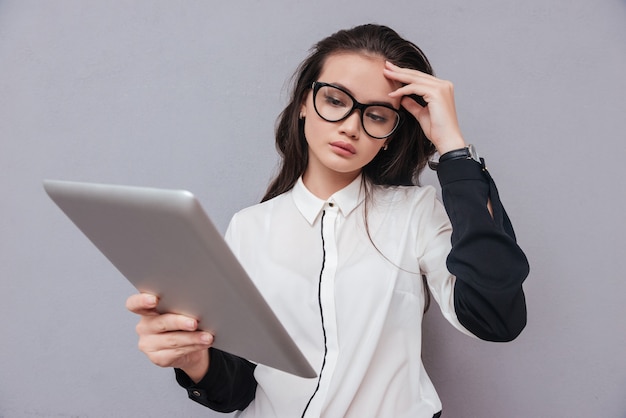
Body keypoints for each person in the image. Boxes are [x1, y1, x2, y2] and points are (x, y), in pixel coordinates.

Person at [126, 24, 529, 418]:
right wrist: (195, 360)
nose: (351, 126)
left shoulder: (415, 212)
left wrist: (454, 149)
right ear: (305, 102)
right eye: (336, 100)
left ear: (390, 133)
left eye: (376, 115)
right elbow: (240, 390)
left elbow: (494, 318)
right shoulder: (249, 227)